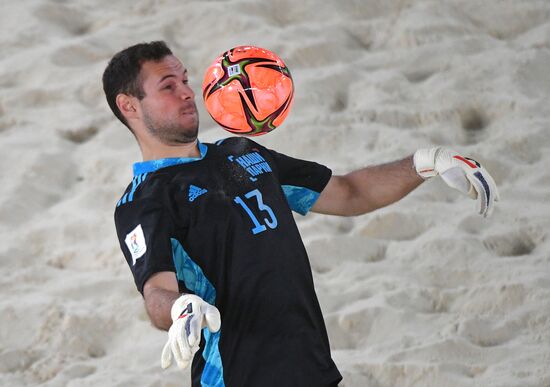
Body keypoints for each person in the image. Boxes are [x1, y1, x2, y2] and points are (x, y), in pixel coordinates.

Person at [103, 41, 499, 387]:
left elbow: (349, 193)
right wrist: (179, 308)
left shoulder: (242, 152)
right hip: (238, 375)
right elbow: (155, 291)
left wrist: (423, 163)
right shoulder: (144, 200)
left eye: (186, 80)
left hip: (310, 362)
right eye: (168, 87)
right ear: (129, 106)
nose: (188, 93)